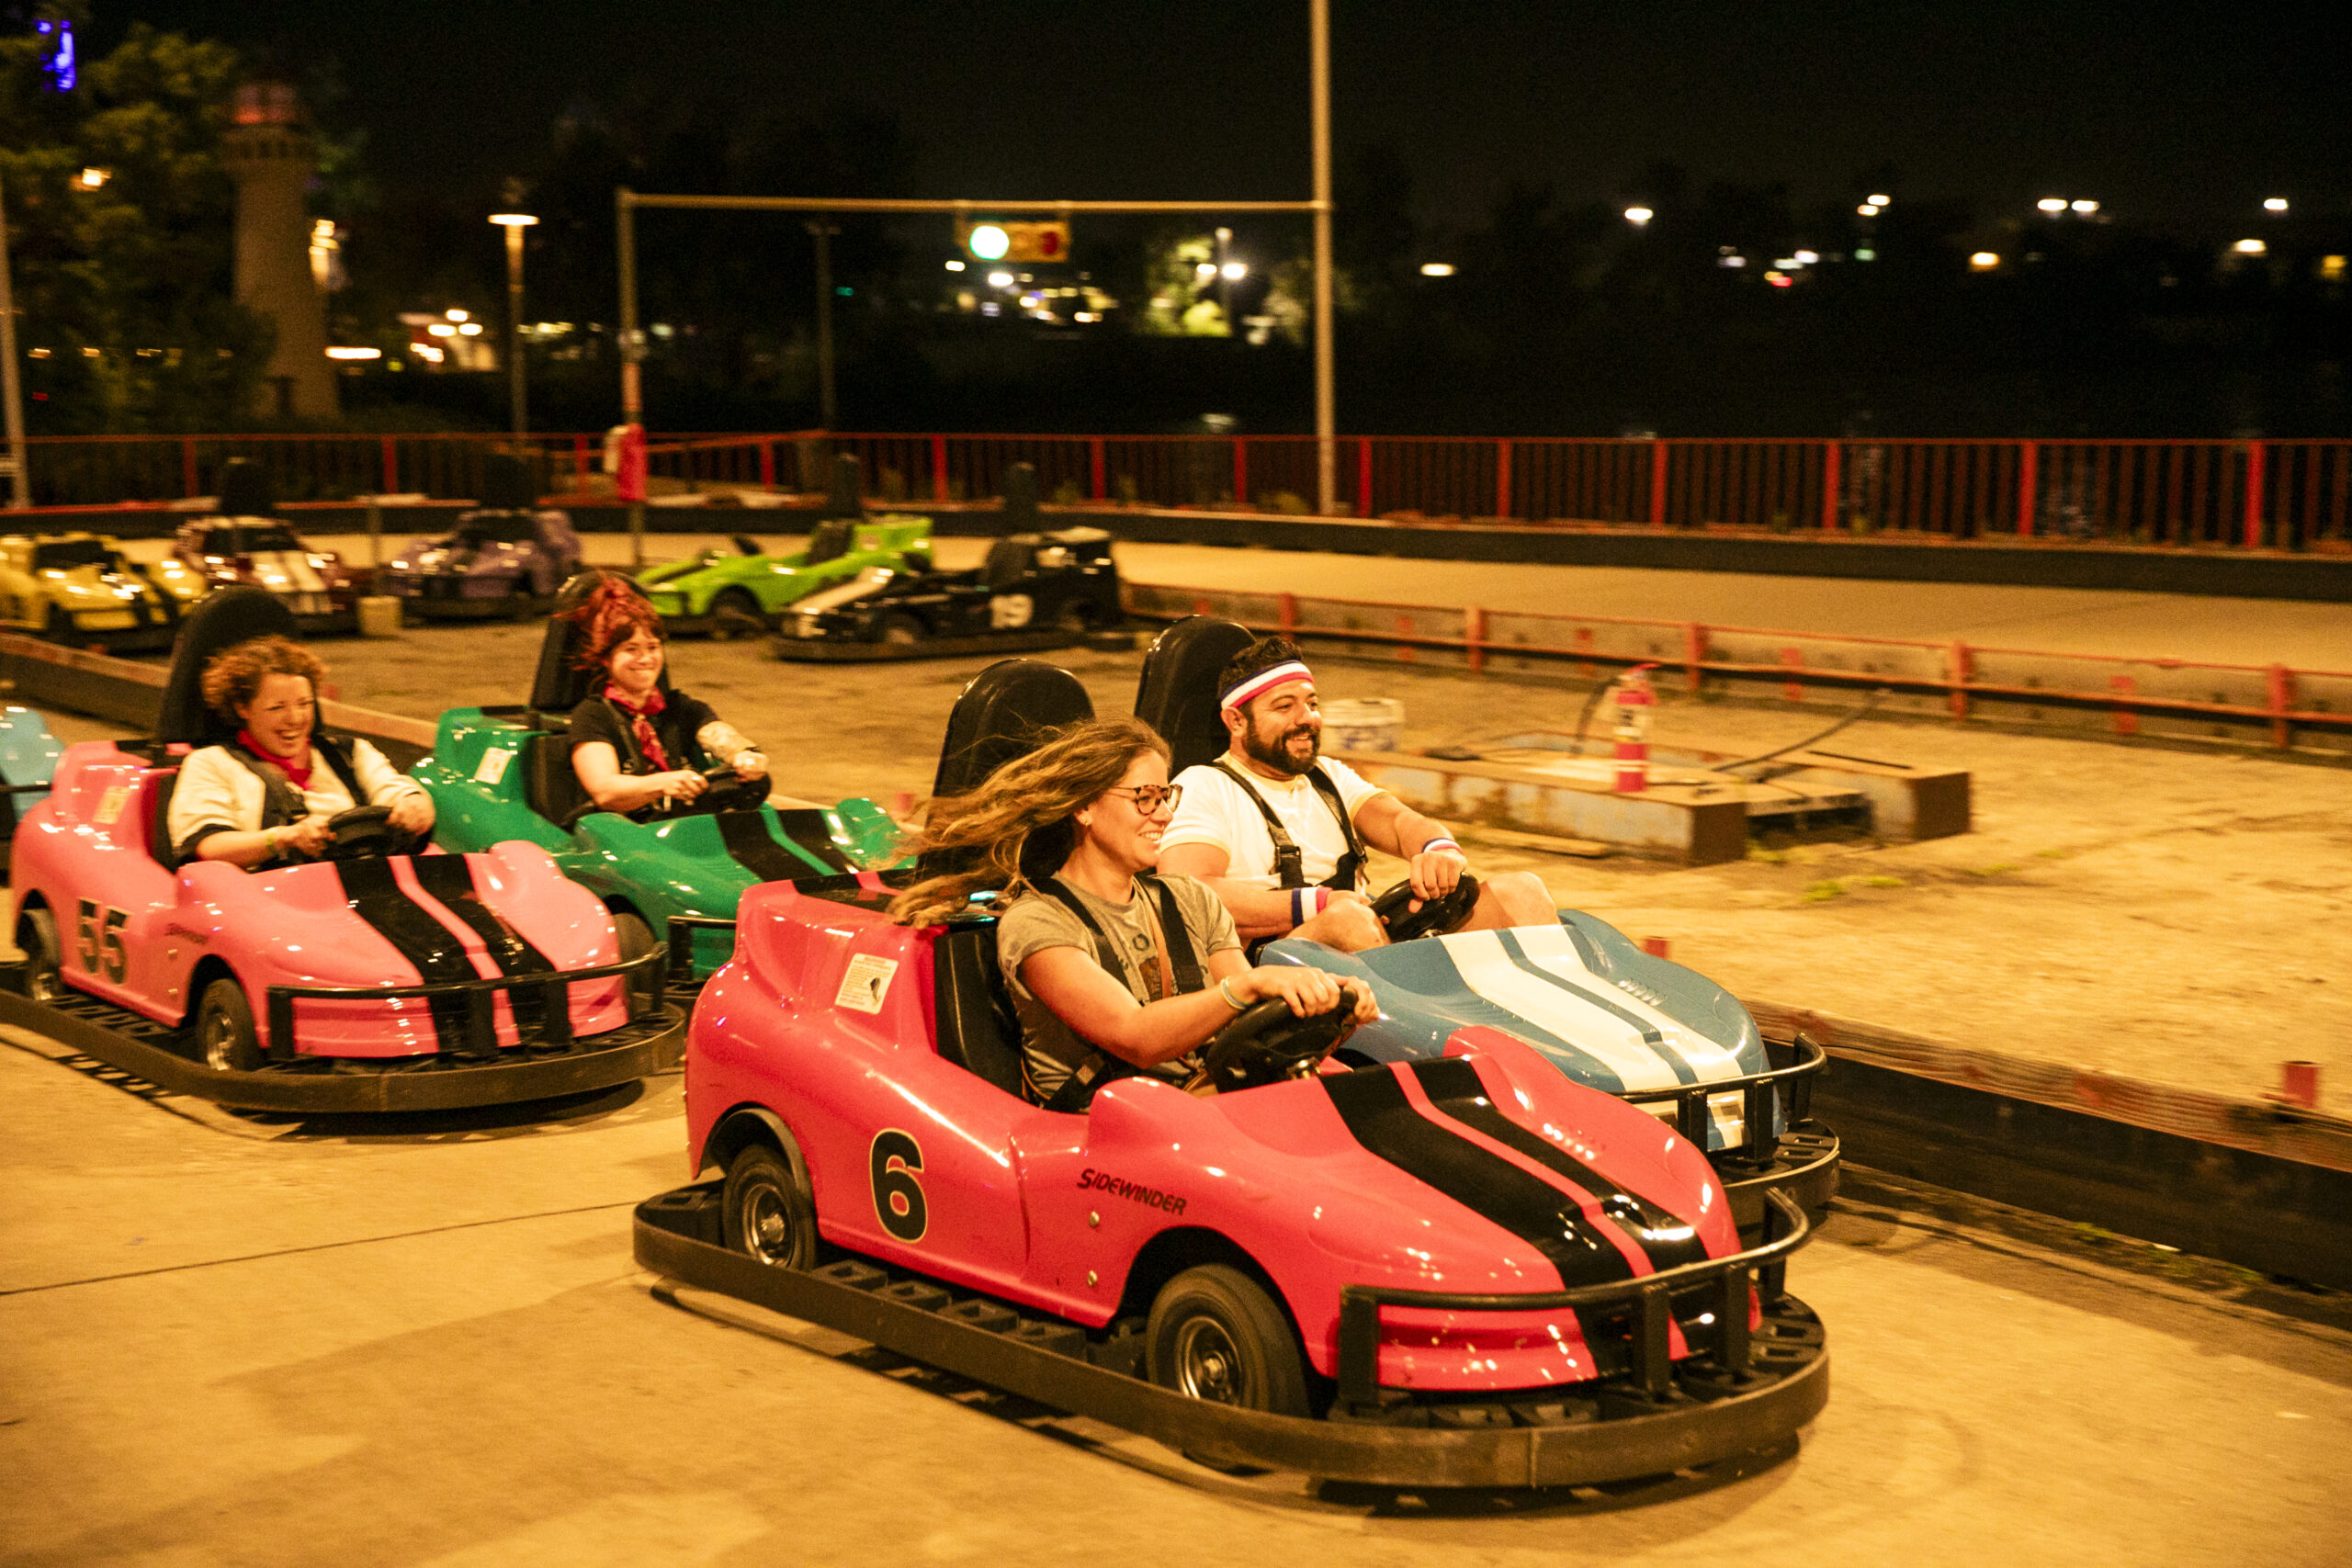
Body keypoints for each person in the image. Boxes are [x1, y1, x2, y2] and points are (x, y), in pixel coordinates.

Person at [891, 716, 1375, 1109]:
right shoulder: (1037, 922)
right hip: (1107, 1135)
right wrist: (1249, 984)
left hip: (1195, 1107)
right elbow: (1135, 1036)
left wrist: (1330, 1010)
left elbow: (1242, 1025)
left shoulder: (1190, 900)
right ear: (1083, 808)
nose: (1164, 814)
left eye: (1165, 797)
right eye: (1144, 797)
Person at [1158, 635, 1557, 953]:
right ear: (1237, 720)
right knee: (1349, 919)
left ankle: (1556, 1035)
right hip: (1271, 962)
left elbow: (1400, 823)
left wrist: (1438, 849)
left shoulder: (1327, 776)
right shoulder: (1204, 785)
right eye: (1285, 706)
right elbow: (1189, 892)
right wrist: (1318, 905)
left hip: (1363, 943)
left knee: (1521, 890)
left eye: (1311, 703)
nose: (1306, 719)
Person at [168, 635, 435, 869]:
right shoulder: (210, 763)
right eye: (277, 708)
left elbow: (396, 790)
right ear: (243, 708)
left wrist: (415, 807)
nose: (295, 719)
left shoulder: (349, 753)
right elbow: (208, 846)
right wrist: (283, 838)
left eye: (304, 704)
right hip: (265, 897)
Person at [562, 571, 770, 819]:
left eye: (652, 647)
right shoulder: (592, 714)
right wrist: (662, 783)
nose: (646, 659)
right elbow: (605, 791)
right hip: (618, 834)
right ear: (607, 658)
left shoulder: (680, 707)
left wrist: (745, 757)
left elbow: (720, 735)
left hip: (675, 831)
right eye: (631, 649)